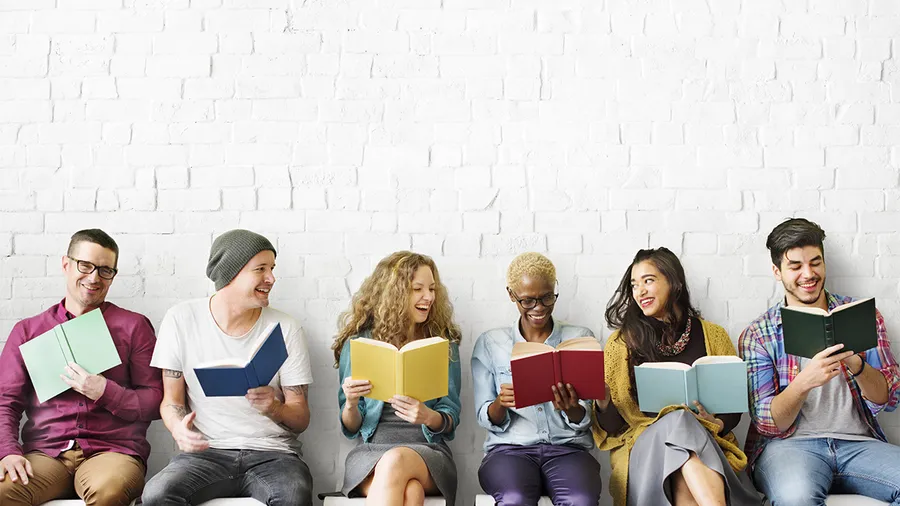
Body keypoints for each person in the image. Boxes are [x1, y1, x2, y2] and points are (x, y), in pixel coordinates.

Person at [142, 229, 314, 506]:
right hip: (206, 453)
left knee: (294, 496)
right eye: (260, 269)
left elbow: (301, 418)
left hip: (274, 455)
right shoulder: (181, 320)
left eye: (272, 268)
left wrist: (274, 408)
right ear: (231, 273)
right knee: (156, 495)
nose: (271, 278)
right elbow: (171, 402)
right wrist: (178, 429)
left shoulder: (285, 328)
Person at [740, 218, 900, 505]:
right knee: (796, 499)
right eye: (795, 266)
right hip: (789, 448)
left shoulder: (864, 316)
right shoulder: (759, 334)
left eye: (815, 263)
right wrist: (804, 383)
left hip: (859, 445)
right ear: (777, 272)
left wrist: (857, 365)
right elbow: (768, 424)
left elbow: (889, 398)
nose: (808, 274)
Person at [0, 229, 163, 506]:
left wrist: (106, 391)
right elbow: (5, 401)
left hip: (113, 452)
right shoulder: (28, 331)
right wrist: (8, 451)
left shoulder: (133, 326)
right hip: (45, 454)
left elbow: (156, 400)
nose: (94, 278)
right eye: (85, 265)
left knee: (108, 490)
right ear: (66, 264)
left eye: (105, 270)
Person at [593, 247, 760, 506]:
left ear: (674, 282)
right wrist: (603, 400)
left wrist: (715, 422)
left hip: (703, 447)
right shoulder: (621, 344)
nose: (640, 291)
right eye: (635, 285)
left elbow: (732, 409)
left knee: (683, 459)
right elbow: (614, 428)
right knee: (679, 419)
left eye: (648, 281)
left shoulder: (714, 336)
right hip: (646, 453)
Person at [472, 252, 603, 506]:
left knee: (580, 500)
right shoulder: (491, 343)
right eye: (528, 300)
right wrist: (500, 403)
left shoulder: (579, 338)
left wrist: (571, 408)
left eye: (547, 297)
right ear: (512, 295)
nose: (539, 307)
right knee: (514, 498)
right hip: (509, 450)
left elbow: (586, 417)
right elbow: (483, 416)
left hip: (568, 450)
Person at [334, 251, 461, 506]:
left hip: (428, 452)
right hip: (370, 453)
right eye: (418, 289)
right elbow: (351, 427)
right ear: (395, 293)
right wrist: (350, 403)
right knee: (411, 492)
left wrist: (428, 416)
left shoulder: (442, 344)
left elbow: (451, 418)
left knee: (396, 461)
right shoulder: (359, 343)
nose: (429, 297)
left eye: (432, 289)